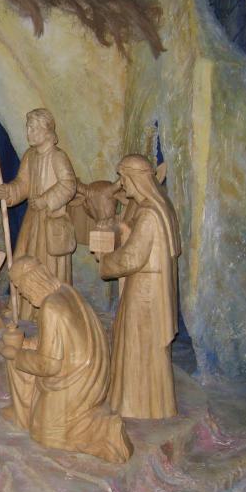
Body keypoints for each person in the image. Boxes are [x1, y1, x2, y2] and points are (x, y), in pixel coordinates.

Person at [0, 257, 132, 463]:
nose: (22, 294)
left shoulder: (50, 307)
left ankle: (104, 430)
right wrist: (26, 345)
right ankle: (23, 412)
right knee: (23, 359)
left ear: (32, 282)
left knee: (45, 433)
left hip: (76, 383)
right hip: (92, 376)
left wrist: (16, 355)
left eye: (21, 288)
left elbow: (48, 364)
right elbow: (58, 341)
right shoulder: (65, 291)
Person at [97, 154, 181, 419]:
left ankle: (138, 405)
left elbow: (132, 258)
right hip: (152, 287)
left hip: (145, 291)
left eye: (124, 178)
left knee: (138, 343)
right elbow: (144, 241)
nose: (122, 184)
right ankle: (153, 404)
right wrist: (124, 229)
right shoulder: (160, 206)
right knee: (145, 346)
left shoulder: (148, 213)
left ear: (135, 179)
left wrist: (105, 260)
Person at [0, 108, 77, 321]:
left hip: (50, 221)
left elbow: (69, 185)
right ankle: (22, 306)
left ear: (46, 130)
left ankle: (49, 310)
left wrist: (45, 199)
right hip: (32, 220)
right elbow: (23, 184)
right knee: (22, 259)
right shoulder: (30, 156)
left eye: (33, 128)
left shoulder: (58, 156)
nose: (29, 133)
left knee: (46, 265)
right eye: (28, 128)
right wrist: (9, 191)